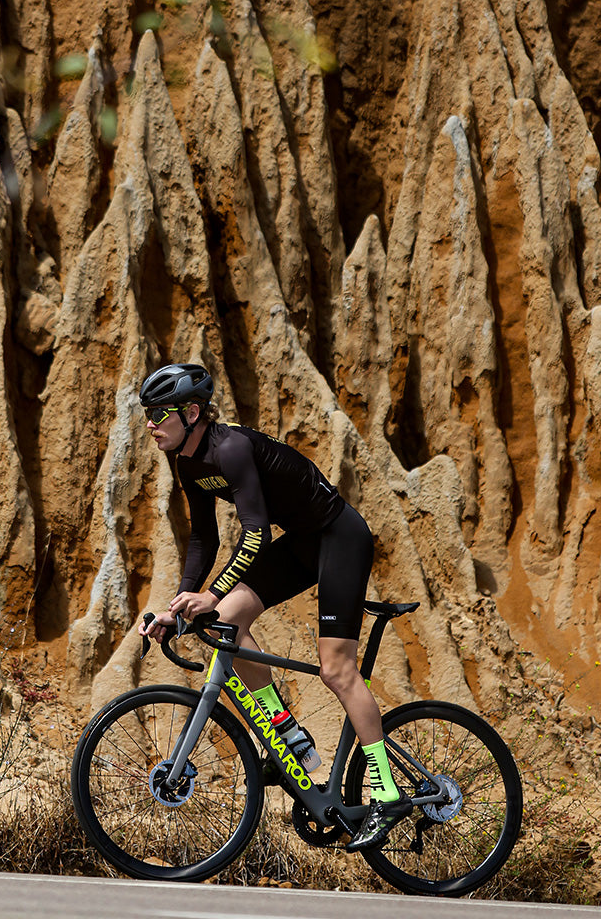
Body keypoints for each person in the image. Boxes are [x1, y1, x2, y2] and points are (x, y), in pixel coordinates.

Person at [137, 362, 411, 849]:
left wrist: (213, 591)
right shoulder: (187, 462)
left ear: (192, 411)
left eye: (160, 413)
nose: (151, 424)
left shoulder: (232, 448)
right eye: (148, 415)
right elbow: (203, 535)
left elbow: (257, 532)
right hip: (303, 542)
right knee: (222, 621)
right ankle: (287, 735)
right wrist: (181, 603)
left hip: (339, 537)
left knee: (337, 669)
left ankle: (387, 795)